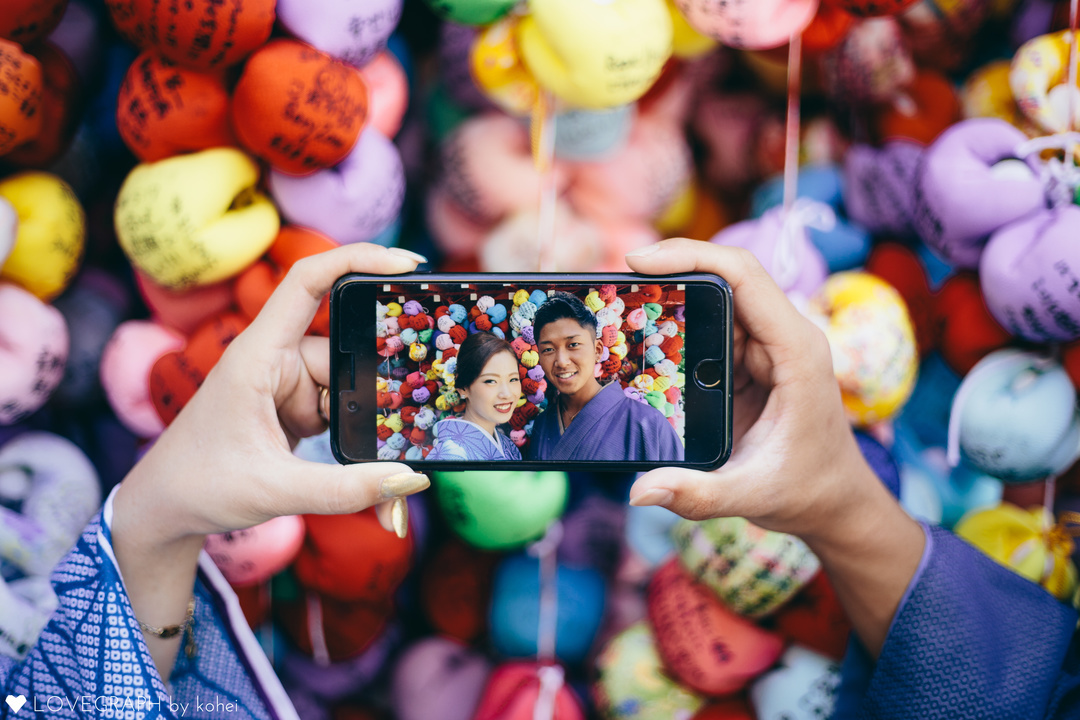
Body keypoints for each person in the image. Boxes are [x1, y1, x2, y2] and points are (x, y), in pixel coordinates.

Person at [2, 239, 1078, 719]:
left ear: (589, 363)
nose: (540, 376)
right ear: (481, 380)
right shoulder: (486, 438)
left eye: (555, 360)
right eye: (524, 364)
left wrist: (843, 503)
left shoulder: (620, 420)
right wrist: (155, 524)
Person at [528, 291, 684, 462]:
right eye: (548, 349)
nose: (562, 361)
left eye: (573, 345)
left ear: (598, 350)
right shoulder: (542, 424)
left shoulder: (649, 424)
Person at [426, 331, 522, 461]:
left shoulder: (508, 446)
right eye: (490, 381)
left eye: (513, 379)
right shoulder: (451, 455)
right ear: (463, 388)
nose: (506, 394)